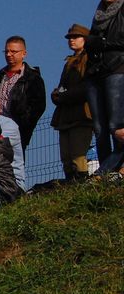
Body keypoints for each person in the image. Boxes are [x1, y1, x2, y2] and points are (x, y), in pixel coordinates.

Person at [85, 0, 124, 175]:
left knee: (115, 125)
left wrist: (100, 42)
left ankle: (112, 168)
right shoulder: (99, 12)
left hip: (117, 68)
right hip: (96, 71)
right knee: (99, 128)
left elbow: (117, 39)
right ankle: (105, 167)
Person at [50, 24, 94, 181]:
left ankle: (80, 185)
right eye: (70, 38)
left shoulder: (89, 58)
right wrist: (57, 94)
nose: (71, 40)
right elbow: (64, 86)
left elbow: (87, 86)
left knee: (78, 155)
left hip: (82, 113)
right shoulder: (70, 61)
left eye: (76, 37)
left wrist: (64, 95)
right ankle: (72, 185)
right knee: (66, 157)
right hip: (66, 114)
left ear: (85, 39)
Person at [0, 35, 46, 152]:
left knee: (14, 165)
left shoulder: (32, 78)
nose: (9, 54)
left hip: (17, 131)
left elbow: (38, 106)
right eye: (6, 51)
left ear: (24, 53)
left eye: (13, 51)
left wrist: (23, 125)